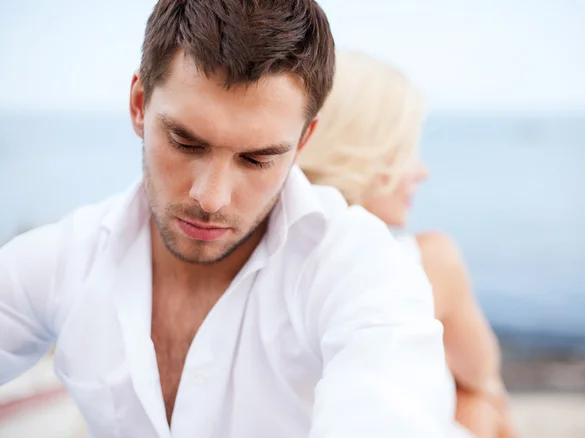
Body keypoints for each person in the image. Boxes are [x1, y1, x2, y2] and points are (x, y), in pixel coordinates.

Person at [0, 2, 451, 437]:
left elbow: (388, 409)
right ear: (139, 104)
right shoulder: (61, 259)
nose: (211, 198)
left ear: (304, 140)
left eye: (257, 159)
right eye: (186, 142)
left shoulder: (359, 267)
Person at [298, 50, 519, 438]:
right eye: (404, 150)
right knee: (481, 399)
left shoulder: (270, 253)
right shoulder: (428, 260)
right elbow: (482, 372)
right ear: (361, 152)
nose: (422, 171)